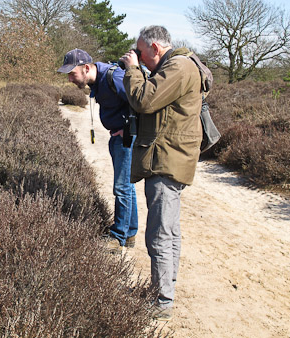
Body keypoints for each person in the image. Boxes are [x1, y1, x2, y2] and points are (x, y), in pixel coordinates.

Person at [119, 26, 203, 321]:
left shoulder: (178, 67)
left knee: (159, 234)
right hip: (169, 158)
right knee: (169, 231)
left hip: (167, 160)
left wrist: (132, 70)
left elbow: (144, 100)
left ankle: (162, 300)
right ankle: (164, 289)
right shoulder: (177, 65)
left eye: (141, 52)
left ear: (155, 48)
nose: (138, 57)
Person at [58, 48, 138, 254]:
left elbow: (140, 102)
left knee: (121, 187)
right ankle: (129, 233)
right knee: (127, 186)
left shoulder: (115, 76)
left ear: (86, 68)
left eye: (72, 73)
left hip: (126, 138)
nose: (69, 79)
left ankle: (118, 237)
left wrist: (128, 130)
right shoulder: (98, 80)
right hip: (118, 137)